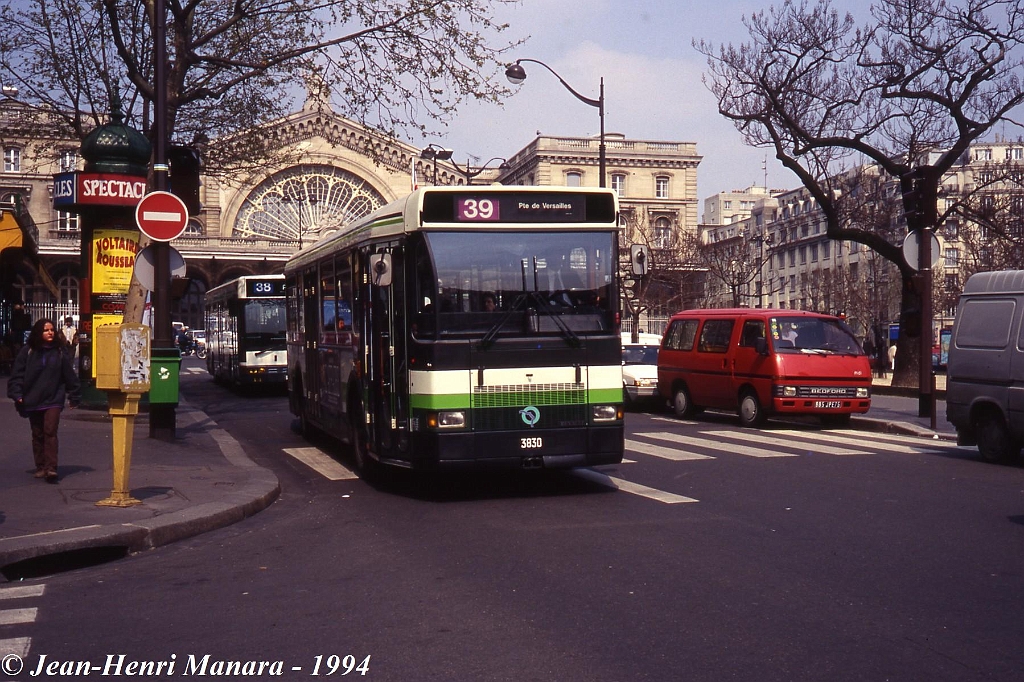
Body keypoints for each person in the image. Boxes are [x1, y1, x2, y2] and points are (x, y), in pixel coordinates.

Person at [7, 318, 82, 483]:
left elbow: (69, 376)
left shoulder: (59, 352)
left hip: (54, 398)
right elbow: (17, 375)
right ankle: (40, 466)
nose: (50, 333)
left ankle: (51, 468)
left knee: (50, 431)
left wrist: (74, 396)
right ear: (38, 333)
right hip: (33, 398)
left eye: (52, 330)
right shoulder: (28, 352)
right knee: (38, 433)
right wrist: (17, 394)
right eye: (46, 330)